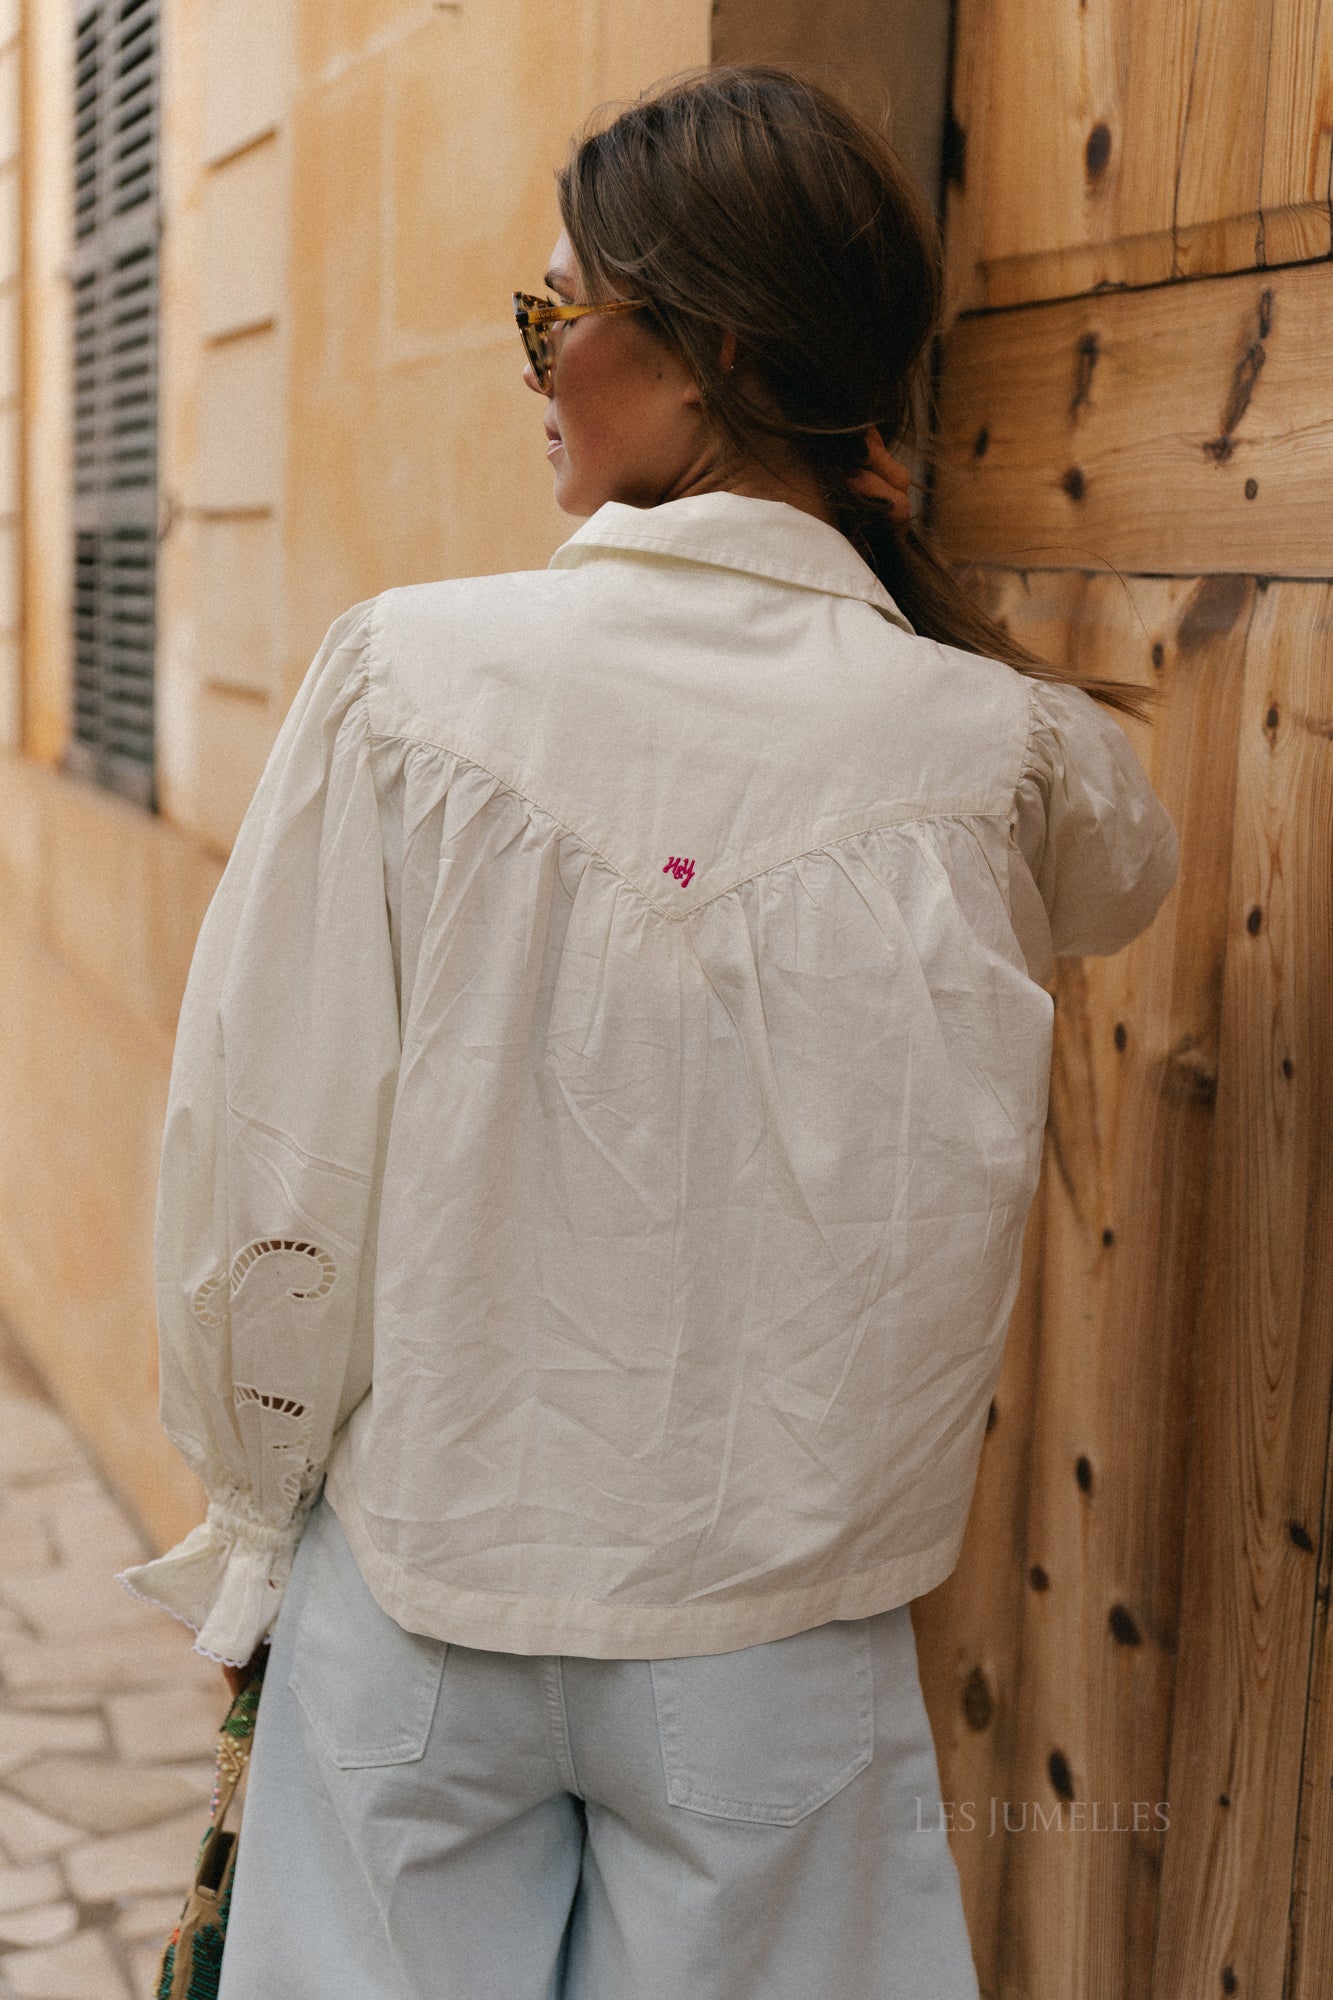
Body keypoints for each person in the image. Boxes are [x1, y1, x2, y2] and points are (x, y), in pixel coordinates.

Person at [118, 62, 1178, 2000]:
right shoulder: (995, 749)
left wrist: (254, 1521)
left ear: (705, 353)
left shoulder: (406, 681)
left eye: (552, 315)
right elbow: (1130, 860)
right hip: (776, 1641)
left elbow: (271, 1158)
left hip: (422, 1593)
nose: (528, 366)